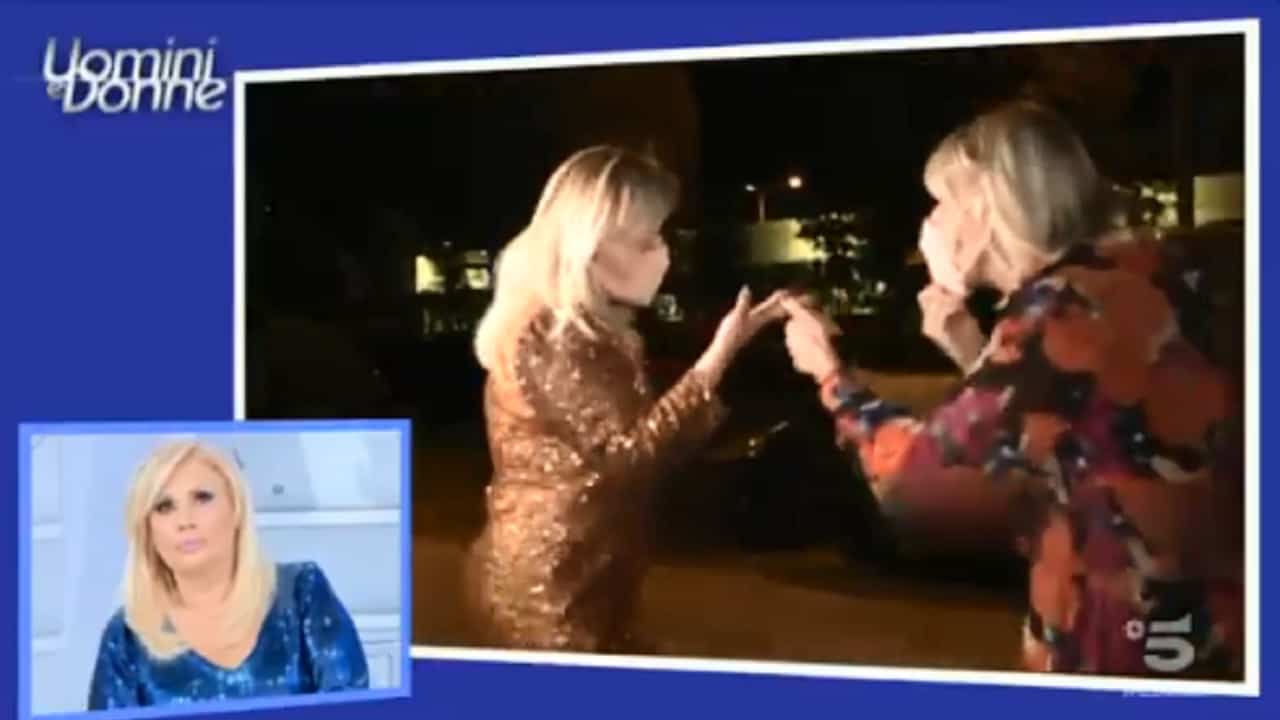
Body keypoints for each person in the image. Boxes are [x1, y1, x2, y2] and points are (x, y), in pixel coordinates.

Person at [780, 100, 1243, 677]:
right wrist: (971, 350)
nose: (932, 224)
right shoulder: (1165, 273)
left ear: (986, 204)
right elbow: (1070, 426)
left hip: (1130, 644)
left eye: (942, 203)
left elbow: (917, 486)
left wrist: (830, 376)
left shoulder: (1056, 311)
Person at [467, 145, 787, 652]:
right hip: (554, 592)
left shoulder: (594, 331)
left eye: (662, 235)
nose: (663, 253)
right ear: (590, 246)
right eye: (644, 240)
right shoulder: (553, 336)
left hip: (587, 571)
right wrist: (717, 358)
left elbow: (638, 452)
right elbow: (631, 457)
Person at [88, 440, 369, 709]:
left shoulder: (301, 593)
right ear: (147, 530)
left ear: (236, 509)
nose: (185, 521)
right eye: (164, 507)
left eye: (202, 498)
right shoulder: (125, 637)